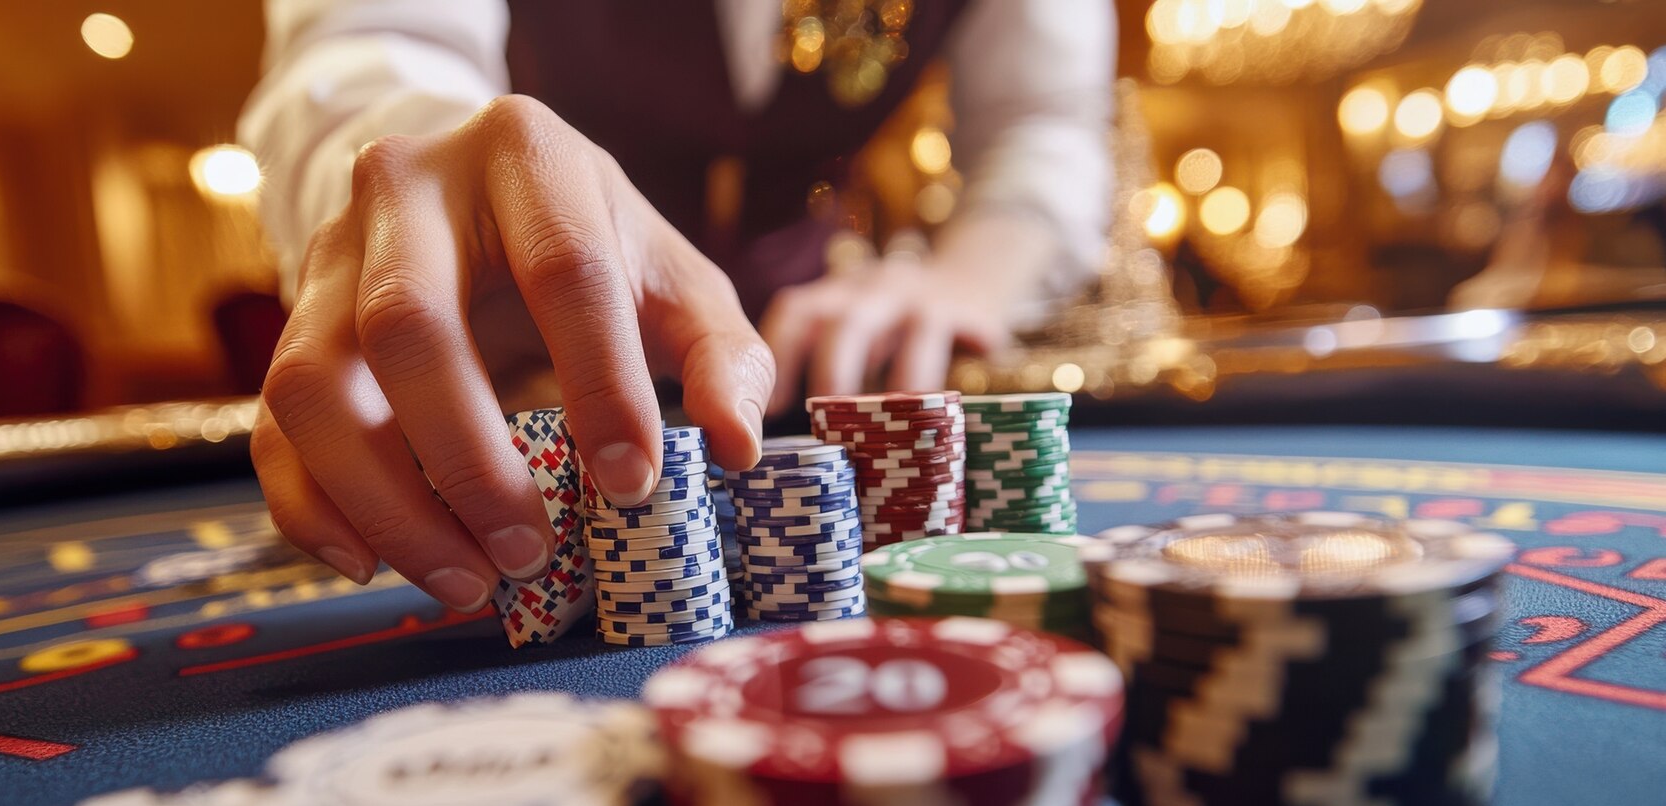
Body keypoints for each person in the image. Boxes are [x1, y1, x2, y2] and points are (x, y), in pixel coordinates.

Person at [240, 0, 1114, 613]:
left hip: (811, 342)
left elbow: (1046, 123)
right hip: (528, 343)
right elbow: (369, 44)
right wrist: (425, 188)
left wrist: (964, 278)